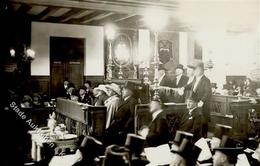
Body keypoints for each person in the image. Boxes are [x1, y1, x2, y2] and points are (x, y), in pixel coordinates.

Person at [184, 61, 212, 137]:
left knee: (203, 125)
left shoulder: (206, 80)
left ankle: (204, 140)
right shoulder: (195, 79)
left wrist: (202, 101)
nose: (193, 71)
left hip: (203, 106)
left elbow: (208, 93)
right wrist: (183, 88)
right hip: (195, 105)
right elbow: (189, 86)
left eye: (195, 70)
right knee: (196, 125)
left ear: (200, 70)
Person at [106, 81, 137, 145]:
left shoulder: (132, 101)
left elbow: (132, 117)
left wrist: (124, 130)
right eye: (122, 89)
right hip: (116, 127)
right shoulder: (123, 100)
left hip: (122, 130)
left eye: (124, 89)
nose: (122, 91)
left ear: (130, 91)